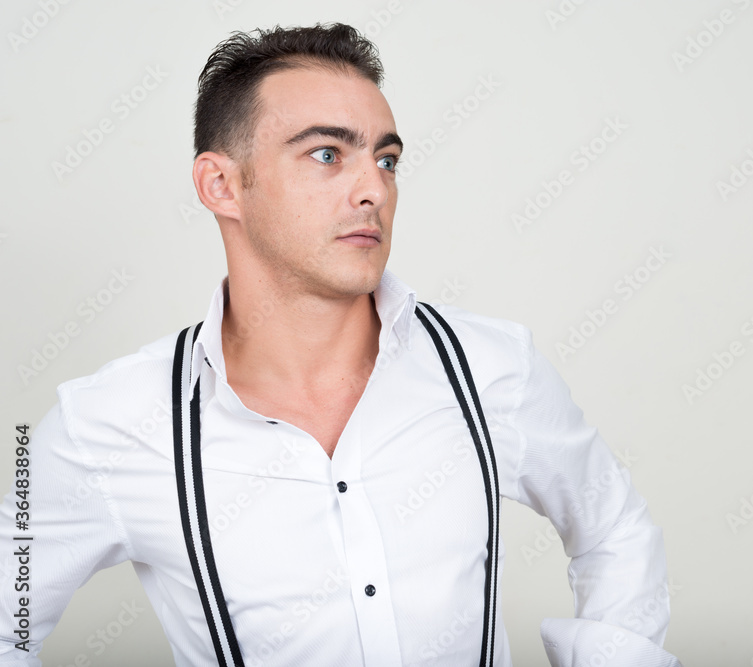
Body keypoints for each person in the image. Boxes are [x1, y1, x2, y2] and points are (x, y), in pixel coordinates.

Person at [0, 23, 682, 667]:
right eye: (327, 154)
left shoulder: (492, 366)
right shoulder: (105, 423)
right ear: (221, 184)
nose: (373, 190)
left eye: (386, 159)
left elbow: (612, 527)